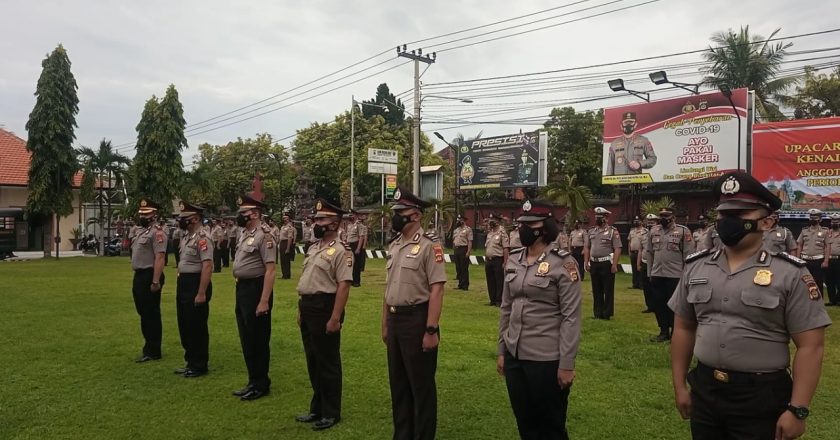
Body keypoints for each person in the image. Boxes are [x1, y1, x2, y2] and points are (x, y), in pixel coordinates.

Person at [669, 170, 831, 440]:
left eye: (740, 214)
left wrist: (798, 409)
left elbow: (811, 345)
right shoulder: (696, 267)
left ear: (767, 222)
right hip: (706, 390)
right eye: (723, 214)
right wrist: (679, 386)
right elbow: (684, 328)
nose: (727, 222)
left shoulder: (790, 273)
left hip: (761, 396)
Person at [497, 199, 581, 440]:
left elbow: (571, 317)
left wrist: (566, 363)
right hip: (515, 355)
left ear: (544, 227)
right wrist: (502, 349)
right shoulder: (514, 259)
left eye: (529, 224)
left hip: (546, 358)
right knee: (525, 422)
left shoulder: (563, 263)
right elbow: (506, 307)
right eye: (520, 224)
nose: (522, 229)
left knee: (551, 426)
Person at [382, 187, 446, 440]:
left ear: (416, 215)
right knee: (398, 384)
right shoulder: (395, 245)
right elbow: (388, 288)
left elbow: (437, 288)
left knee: (421, 386)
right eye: (395, 212)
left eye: (401, 212)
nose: (396, 216)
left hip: (417, 320)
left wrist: (431, 329)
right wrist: (385, 323)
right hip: (395, 319)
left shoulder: (430, 245)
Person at [294, 199, 353, 431]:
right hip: (308, 306)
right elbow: (306, 281)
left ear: (334, 224)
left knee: (327, 362)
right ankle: (316, 407)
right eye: (316, 219)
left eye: (321, 220)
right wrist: (300, 309)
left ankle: (331, 412)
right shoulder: (313, 247)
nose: (316, 223)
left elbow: (344, 285)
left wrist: (335, 317)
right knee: (313, 360)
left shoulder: (341, 251)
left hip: (325, 307)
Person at [231, 194, 277, 401]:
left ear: (255, 214)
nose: (240, 215)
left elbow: (270, 270)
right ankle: (252, 380)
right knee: (246, 337)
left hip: (257, 289)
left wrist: (264, 300)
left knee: (258, 338)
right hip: (242, 289)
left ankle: (261, 383)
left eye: (244, 212)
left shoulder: (264, 236)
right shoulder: (244, 233)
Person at [642, 207, 694, 342]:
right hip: (657, 273)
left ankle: (675, 332)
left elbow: (688, 255)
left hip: (675, 275)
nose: (664, 218)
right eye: (662, 216)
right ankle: (663, 331)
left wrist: (686, 275)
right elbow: (649, 253)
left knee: (675, 306)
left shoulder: (683, 231)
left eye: (667, 216)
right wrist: (650, 272)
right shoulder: (653, 231)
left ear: (673, 217)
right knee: (659, 303)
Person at [174, 201, 213, 378]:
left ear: (195, 218)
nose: (181, 221)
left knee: (196, 325)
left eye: (185, 218)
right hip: (184, 283)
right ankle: (190, 360)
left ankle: (199, 364)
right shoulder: (186, 237)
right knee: (184, 323)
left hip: (196, 283)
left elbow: (207, 266)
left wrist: (201, 292)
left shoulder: (203, 237)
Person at [130, 199, 167, 363]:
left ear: (154, 215)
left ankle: (153, 349)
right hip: (139, 275)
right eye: (141, 214)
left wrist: (155, 281)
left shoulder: (157, 233)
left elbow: (160, 257)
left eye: (146, 214)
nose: (143, 216)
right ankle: (149, 346)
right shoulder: (141, 231)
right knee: (143, 312)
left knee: (151, 313)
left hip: (150, 275)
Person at [583, 207, 621, 320]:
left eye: (600, 217)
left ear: (606, 218)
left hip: (606, 263)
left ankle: (607, 313)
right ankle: (597, 313)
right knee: (596, 289)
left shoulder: (612, 231)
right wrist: (586, 261)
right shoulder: (591, 231)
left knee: (608, 289)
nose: (598, 218)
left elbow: (618, 248)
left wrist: (614, 264)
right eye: (596, 216)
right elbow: (587, 247)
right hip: (594, 262)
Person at [606, 111, 657, 175]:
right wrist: (609, 182)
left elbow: (653, 159)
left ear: (635, 124)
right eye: (626, 122)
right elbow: (610, 165)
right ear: (621, 125)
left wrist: (640, 163)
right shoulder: (614, 143)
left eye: (631, 122)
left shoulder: (644, 140)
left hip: (636, 181)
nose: (628, 124)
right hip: (618, 182)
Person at [796, 208, 829, 299]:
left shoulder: (825, 231)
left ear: (820, 219)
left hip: (818, 260)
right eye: (811, 218)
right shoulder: (804, 231)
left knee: (818, 282)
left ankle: (819, 301)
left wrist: (826, 261)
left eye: (815, 218)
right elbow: (799, 245)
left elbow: (827, 247)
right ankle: (805, 300)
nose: (813, 220)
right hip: (805, 260)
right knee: (804, 281)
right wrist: (798, 259)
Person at [484, 214, 509, 306]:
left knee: (499, 281)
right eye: (490, 219)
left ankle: (499, 301)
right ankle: (492, 300)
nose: (491, 221)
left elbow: (505, 248)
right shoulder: (490, 233)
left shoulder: (502, 233)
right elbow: (487, 247)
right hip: (489, 260)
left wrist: (505, 261)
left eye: (493, 219)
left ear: (498, 221)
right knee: (490, 281)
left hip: (498, 260)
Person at [638, 213, 658, 313]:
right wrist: (638, 263)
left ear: (656, 223)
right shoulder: (643, 234)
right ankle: (649, 306)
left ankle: (657, 305)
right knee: (646, 286)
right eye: (648, 222)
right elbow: (640, 250)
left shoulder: (659, 234)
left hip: (656, 263)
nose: (650, 224)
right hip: (645, 262)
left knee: (655, 285)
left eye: (652, 222)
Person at [347, 211, 368, 287]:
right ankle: (351, 280)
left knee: (356, 264)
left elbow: (361, 237)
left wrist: (359, 248)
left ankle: (356, 281)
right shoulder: (349, 225)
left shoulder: (359, 225)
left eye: (352, 215)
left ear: (355, 216)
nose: (350, 216)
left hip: (355, 244)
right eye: (349, 215)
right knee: (350, 264)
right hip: (349, 245)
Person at [453, 216, 473, 291]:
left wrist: (468, 251)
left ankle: (465, 285)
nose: (458, 221)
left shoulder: (468, 229)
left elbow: (470, 241)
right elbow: (454, 240)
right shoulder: (456, 230)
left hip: (463, 249)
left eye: (460, 220)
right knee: (458, 268)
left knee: (464, 267)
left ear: (463, 221)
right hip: (457, 249)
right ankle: (460, 284)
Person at [628, 215, 647, 289]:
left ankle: (641, 284)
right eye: (635, 221)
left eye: (638, 221)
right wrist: (629, 251)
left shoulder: (645, 231)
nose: (636, 222)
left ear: (641, 222)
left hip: (641, 253)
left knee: (641, 269)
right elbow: (629, 242)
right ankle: (635, 284)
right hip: (633, 253)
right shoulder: (632, 231)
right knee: (634, 269)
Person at [826, 213, 840, 306]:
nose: (834, 223)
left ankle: (838, 300)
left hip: (839, 260)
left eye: (836, 221)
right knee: (829, 281)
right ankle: (832, 300)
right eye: (833, 221)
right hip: (829, 259)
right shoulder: (827, 233)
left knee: (839, 281)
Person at [278, 214, 296, 279]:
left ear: (288, 219)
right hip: (282, 243)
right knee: (282, 260)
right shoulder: (282, 227)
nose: (284, 219)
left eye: (286, 218)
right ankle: (284, 274)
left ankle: (287, 275)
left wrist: (288, 248)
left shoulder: (289, 227)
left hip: (286, 243)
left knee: (286, 260)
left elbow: (290, 238)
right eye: (283, 218)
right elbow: (280, 237)